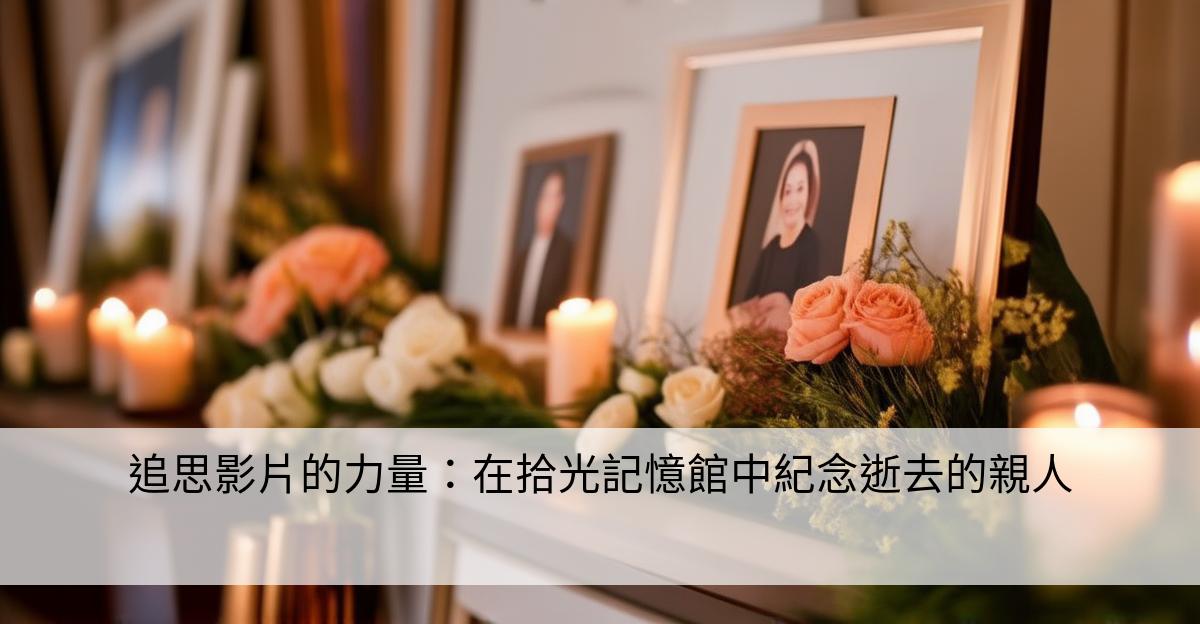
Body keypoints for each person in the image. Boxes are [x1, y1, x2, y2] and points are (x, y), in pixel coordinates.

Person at [730, 140, 822, 330]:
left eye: (800, 189)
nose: (792, 199)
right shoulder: (771, 248)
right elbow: (747, 303)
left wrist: (784, 308)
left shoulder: (811, 245)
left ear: (810, 192)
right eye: (787, 191)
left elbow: (809, 315)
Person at [504, 166, 575, 329]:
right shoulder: (522, 256)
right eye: (546, 196)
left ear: (560, 202)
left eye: (554, 197)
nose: (548, 204)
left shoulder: (567, 253)